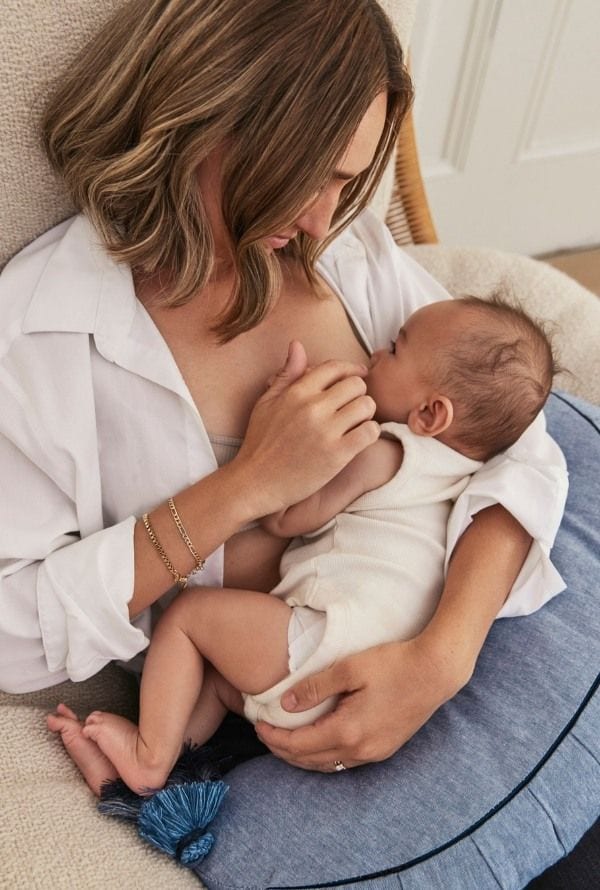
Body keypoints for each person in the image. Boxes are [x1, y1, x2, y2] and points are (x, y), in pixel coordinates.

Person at [0, 0, 567, 784]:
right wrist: (244, 487)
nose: (321, 218)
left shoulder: (347, 256)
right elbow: (11, 633)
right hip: (266, 714)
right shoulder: (45, 336)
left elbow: (522, 444)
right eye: (309, 177)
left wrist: (442, 658)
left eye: (346, 181)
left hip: (447, 651)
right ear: (206, 112)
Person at [47, 295, 558, 797]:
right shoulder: (465, 477)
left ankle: (148, 754)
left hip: (320, 651)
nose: (376, 353)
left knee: (190, 616)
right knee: (221, 679)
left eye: (395, 350)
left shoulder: (381, 450)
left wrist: (279, 421)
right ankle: (156, 776)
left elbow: (284, 516)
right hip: (362, 679)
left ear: (428, 415)